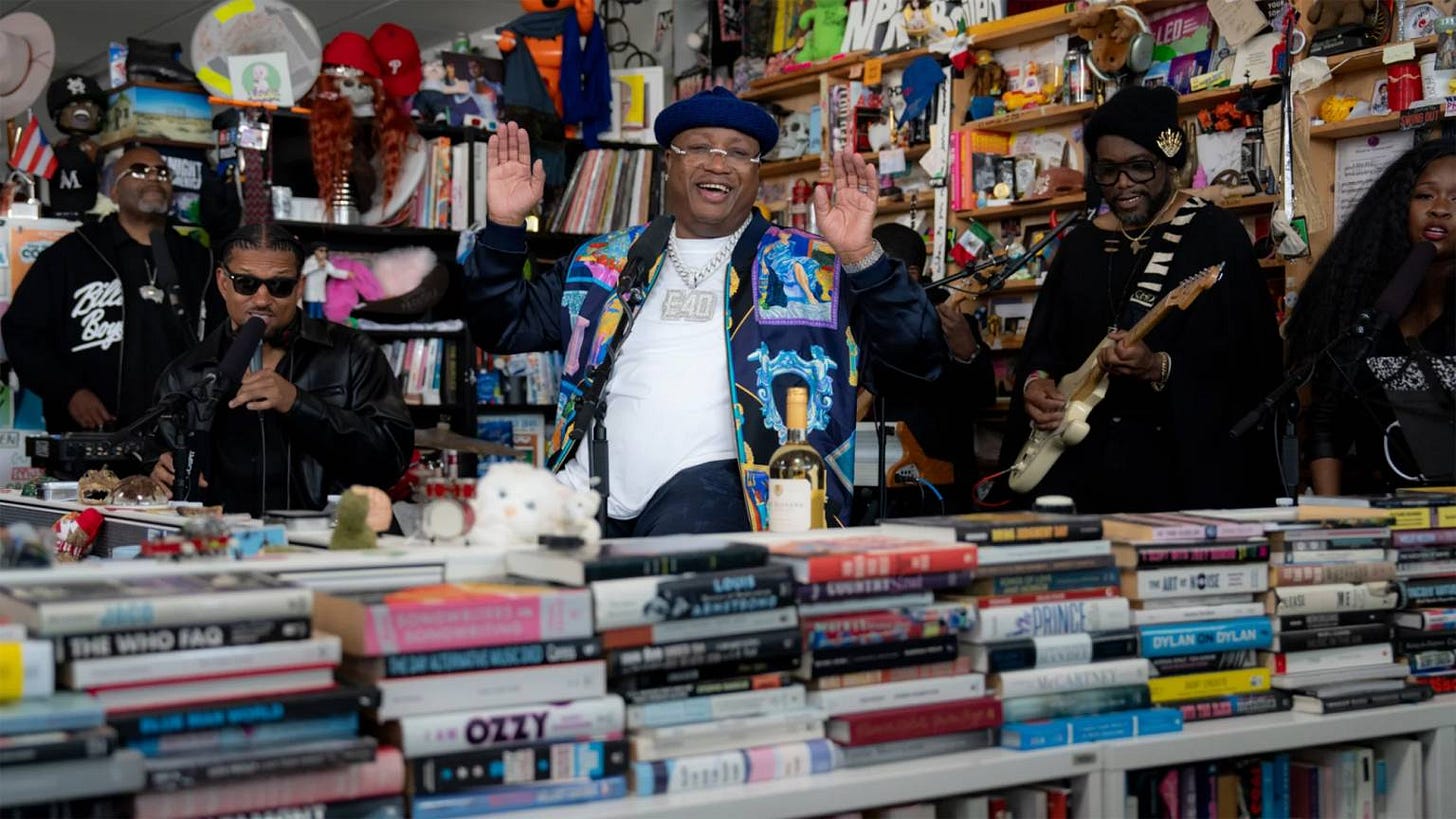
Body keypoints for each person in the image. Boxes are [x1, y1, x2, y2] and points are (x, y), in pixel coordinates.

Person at [463, 87, 946, 536]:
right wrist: (505, 226)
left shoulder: (812, 265)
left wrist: (861, 256)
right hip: (583, 496)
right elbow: (502, 326)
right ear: (668, 165)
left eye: (739, 152)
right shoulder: (602, 262)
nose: (719, 164)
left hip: (727, 499)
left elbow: (920, 356)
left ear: (757, 172)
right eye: (698, 148)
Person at [1004, 86, 1281, 513]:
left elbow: (1253, 364)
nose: (1123, 184)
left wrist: (1159, 367)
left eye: (1139, 167)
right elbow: (1045, 346)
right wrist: (1035, 383)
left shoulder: (1214, 237)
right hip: (1078, 470)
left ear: (1170, 164)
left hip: (1178, 476)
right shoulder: (1080, 246)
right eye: (1108, 171)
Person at [149, 223, 412, 516]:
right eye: (246, 284)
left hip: (329, 545)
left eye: (280, 286)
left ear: (299, 287)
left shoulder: (351, 352)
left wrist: (298, 403)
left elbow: (391, 461)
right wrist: (158, 477)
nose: (262, 299)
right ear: (223, 283)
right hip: (226, 548)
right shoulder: (186, 373)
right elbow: (160, 470)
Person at [2, 145, 222, 439]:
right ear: (114, 192)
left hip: (175, 438)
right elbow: (22, 333)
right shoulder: (72, 254)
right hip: (92, 434)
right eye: (140, 171)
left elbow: (221, 340)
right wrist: (69, 392)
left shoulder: (198, 261)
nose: (154, 177)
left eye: (163, 172)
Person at [1285, 139, 1456, 494]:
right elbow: (1326, 419)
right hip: (1379, 514)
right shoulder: (1365, 308)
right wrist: (1328, 519)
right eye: (1425, 196)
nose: (1440, 209)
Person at [865, 222, 995, 511]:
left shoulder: (954, 323)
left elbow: (982, 399)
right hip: (865, 488)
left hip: (938, 492)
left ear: (910, 275)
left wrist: (967, 352)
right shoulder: (856, 318)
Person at [300, 242, 348, 320]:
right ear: (315, 251)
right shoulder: (310, 262)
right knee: (311, 315)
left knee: (319, 315)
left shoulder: (326, 263)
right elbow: (303, 272)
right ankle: (310, 330)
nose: (324, 253)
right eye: (321, 250)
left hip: (320, 293)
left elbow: (334, 272)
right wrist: (317, 266)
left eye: (325, 251)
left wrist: (346, 274)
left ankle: (318, 330)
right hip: (311, 293)